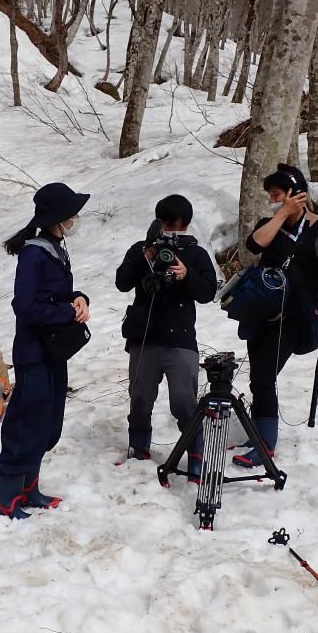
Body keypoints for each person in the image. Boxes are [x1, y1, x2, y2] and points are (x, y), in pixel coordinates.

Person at [233, 164, 318, 468]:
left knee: (265, 374)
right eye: (271, 196)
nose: (273, 200)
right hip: (262, 312)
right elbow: (255, 244)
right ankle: (257, 434)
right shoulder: (271, 223)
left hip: (296, 314)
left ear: (296, 192)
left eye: (278, 195)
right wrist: (282, 214)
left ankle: (264, 446)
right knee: (258, 375)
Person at [0, 182, 91, 519]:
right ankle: (8, 493)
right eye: (72, 213)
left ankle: (29, 487)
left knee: (48, 423)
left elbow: (54, 293)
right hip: (34, 352)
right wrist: (66, 312)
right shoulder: (35, 252)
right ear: (58, 216)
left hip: (53, 351)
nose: (76, 217)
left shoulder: (55, 246)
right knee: (27, 420)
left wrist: (79, 299)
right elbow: (25, 305)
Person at [115, 194, 217, 480]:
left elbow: (208, 293)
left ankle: (195, 452)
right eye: (165, 222)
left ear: (184, 224)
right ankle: (139, 446)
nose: (169, 229)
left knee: (184, 401)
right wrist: (144, 256)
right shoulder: (142, 249)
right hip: (144, 335)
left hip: (180, 337)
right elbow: (122, 282)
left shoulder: (195, 254)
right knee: (140, 397)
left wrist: (186, 275)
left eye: (174, 224)